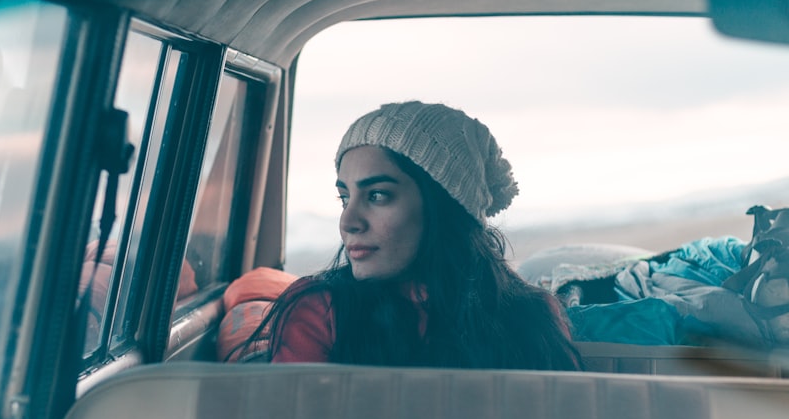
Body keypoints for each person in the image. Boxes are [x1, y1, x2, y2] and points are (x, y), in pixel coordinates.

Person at [239, 101, 582, 370]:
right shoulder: (321, 309)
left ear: (443, 207)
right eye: (345, 198)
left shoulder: (531, 313)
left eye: (377, 196)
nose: (349, 221)